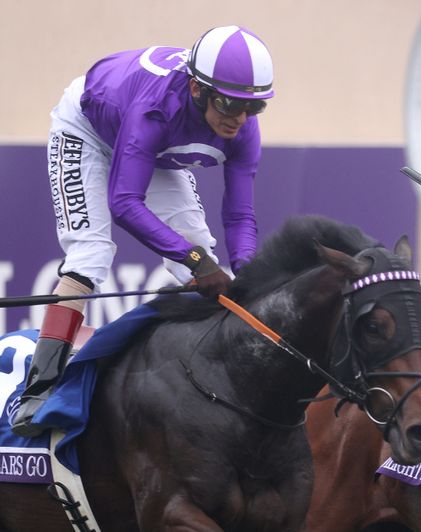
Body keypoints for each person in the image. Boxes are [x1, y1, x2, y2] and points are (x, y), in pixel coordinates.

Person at [12, 25, 274, 437]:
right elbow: (125, 203)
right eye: (229, 103)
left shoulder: (242, 129)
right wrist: (194, 260)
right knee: (90, 254)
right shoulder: (157, 108)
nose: (239, 118)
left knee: (201, 253)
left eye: (253, 107)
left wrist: (250, 275)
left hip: (153, 144)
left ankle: (214, 382)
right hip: (90, 129)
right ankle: (38, 389)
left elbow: (240, 216)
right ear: (197, 89)